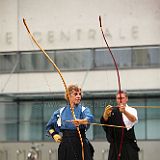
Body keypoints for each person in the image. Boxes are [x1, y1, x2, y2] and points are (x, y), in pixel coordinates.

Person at [46, 84, 94, 160]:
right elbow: (49, 127)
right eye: (75, 94)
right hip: (65, 144)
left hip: (80, 142)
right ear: (68, 96)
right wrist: (54, 134)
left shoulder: (84, 109)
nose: (78, 96)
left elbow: (90, 118)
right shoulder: (60, 111)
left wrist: (81, 121)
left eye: (79, 94)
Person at [100, 91, 140, 160]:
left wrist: (124, 111)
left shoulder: (131, 110)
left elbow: (133, 119)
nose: (120, 100)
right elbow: (105, 124)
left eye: (122, 98)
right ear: (116, 99)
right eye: (118, 98)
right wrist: (105, 114)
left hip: (129, 144)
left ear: (126, 99)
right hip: (115, 146)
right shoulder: (112, 111)